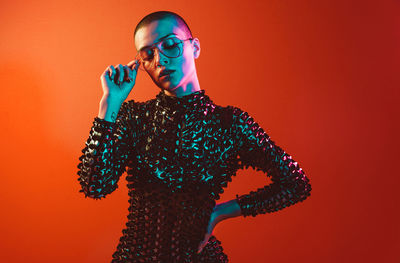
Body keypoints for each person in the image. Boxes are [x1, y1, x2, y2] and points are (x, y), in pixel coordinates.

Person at [77, 10, 312, 262]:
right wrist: (109, 104)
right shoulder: (135, 117)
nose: (160, 60)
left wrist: (219, 213)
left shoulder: (229, 124)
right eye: (148, 54)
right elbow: (94, 185)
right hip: (135, 255)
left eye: (170, 45)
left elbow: (295, 183)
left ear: (195, 47)